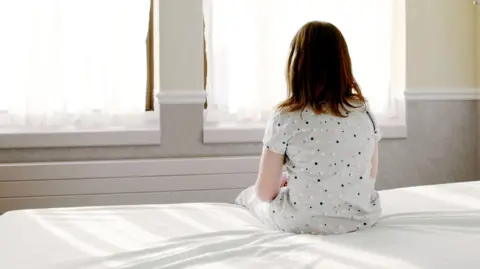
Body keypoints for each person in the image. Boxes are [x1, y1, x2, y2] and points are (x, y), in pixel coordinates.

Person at [235, 21, 382, 235]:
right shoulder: (364, 112)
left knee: (249, 197)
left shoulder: (285, 116)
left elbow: (266, 192)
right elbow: (370, 175)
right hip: (361, 217)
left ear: (297, 66)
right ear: (343, 64)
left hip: (301, 221)